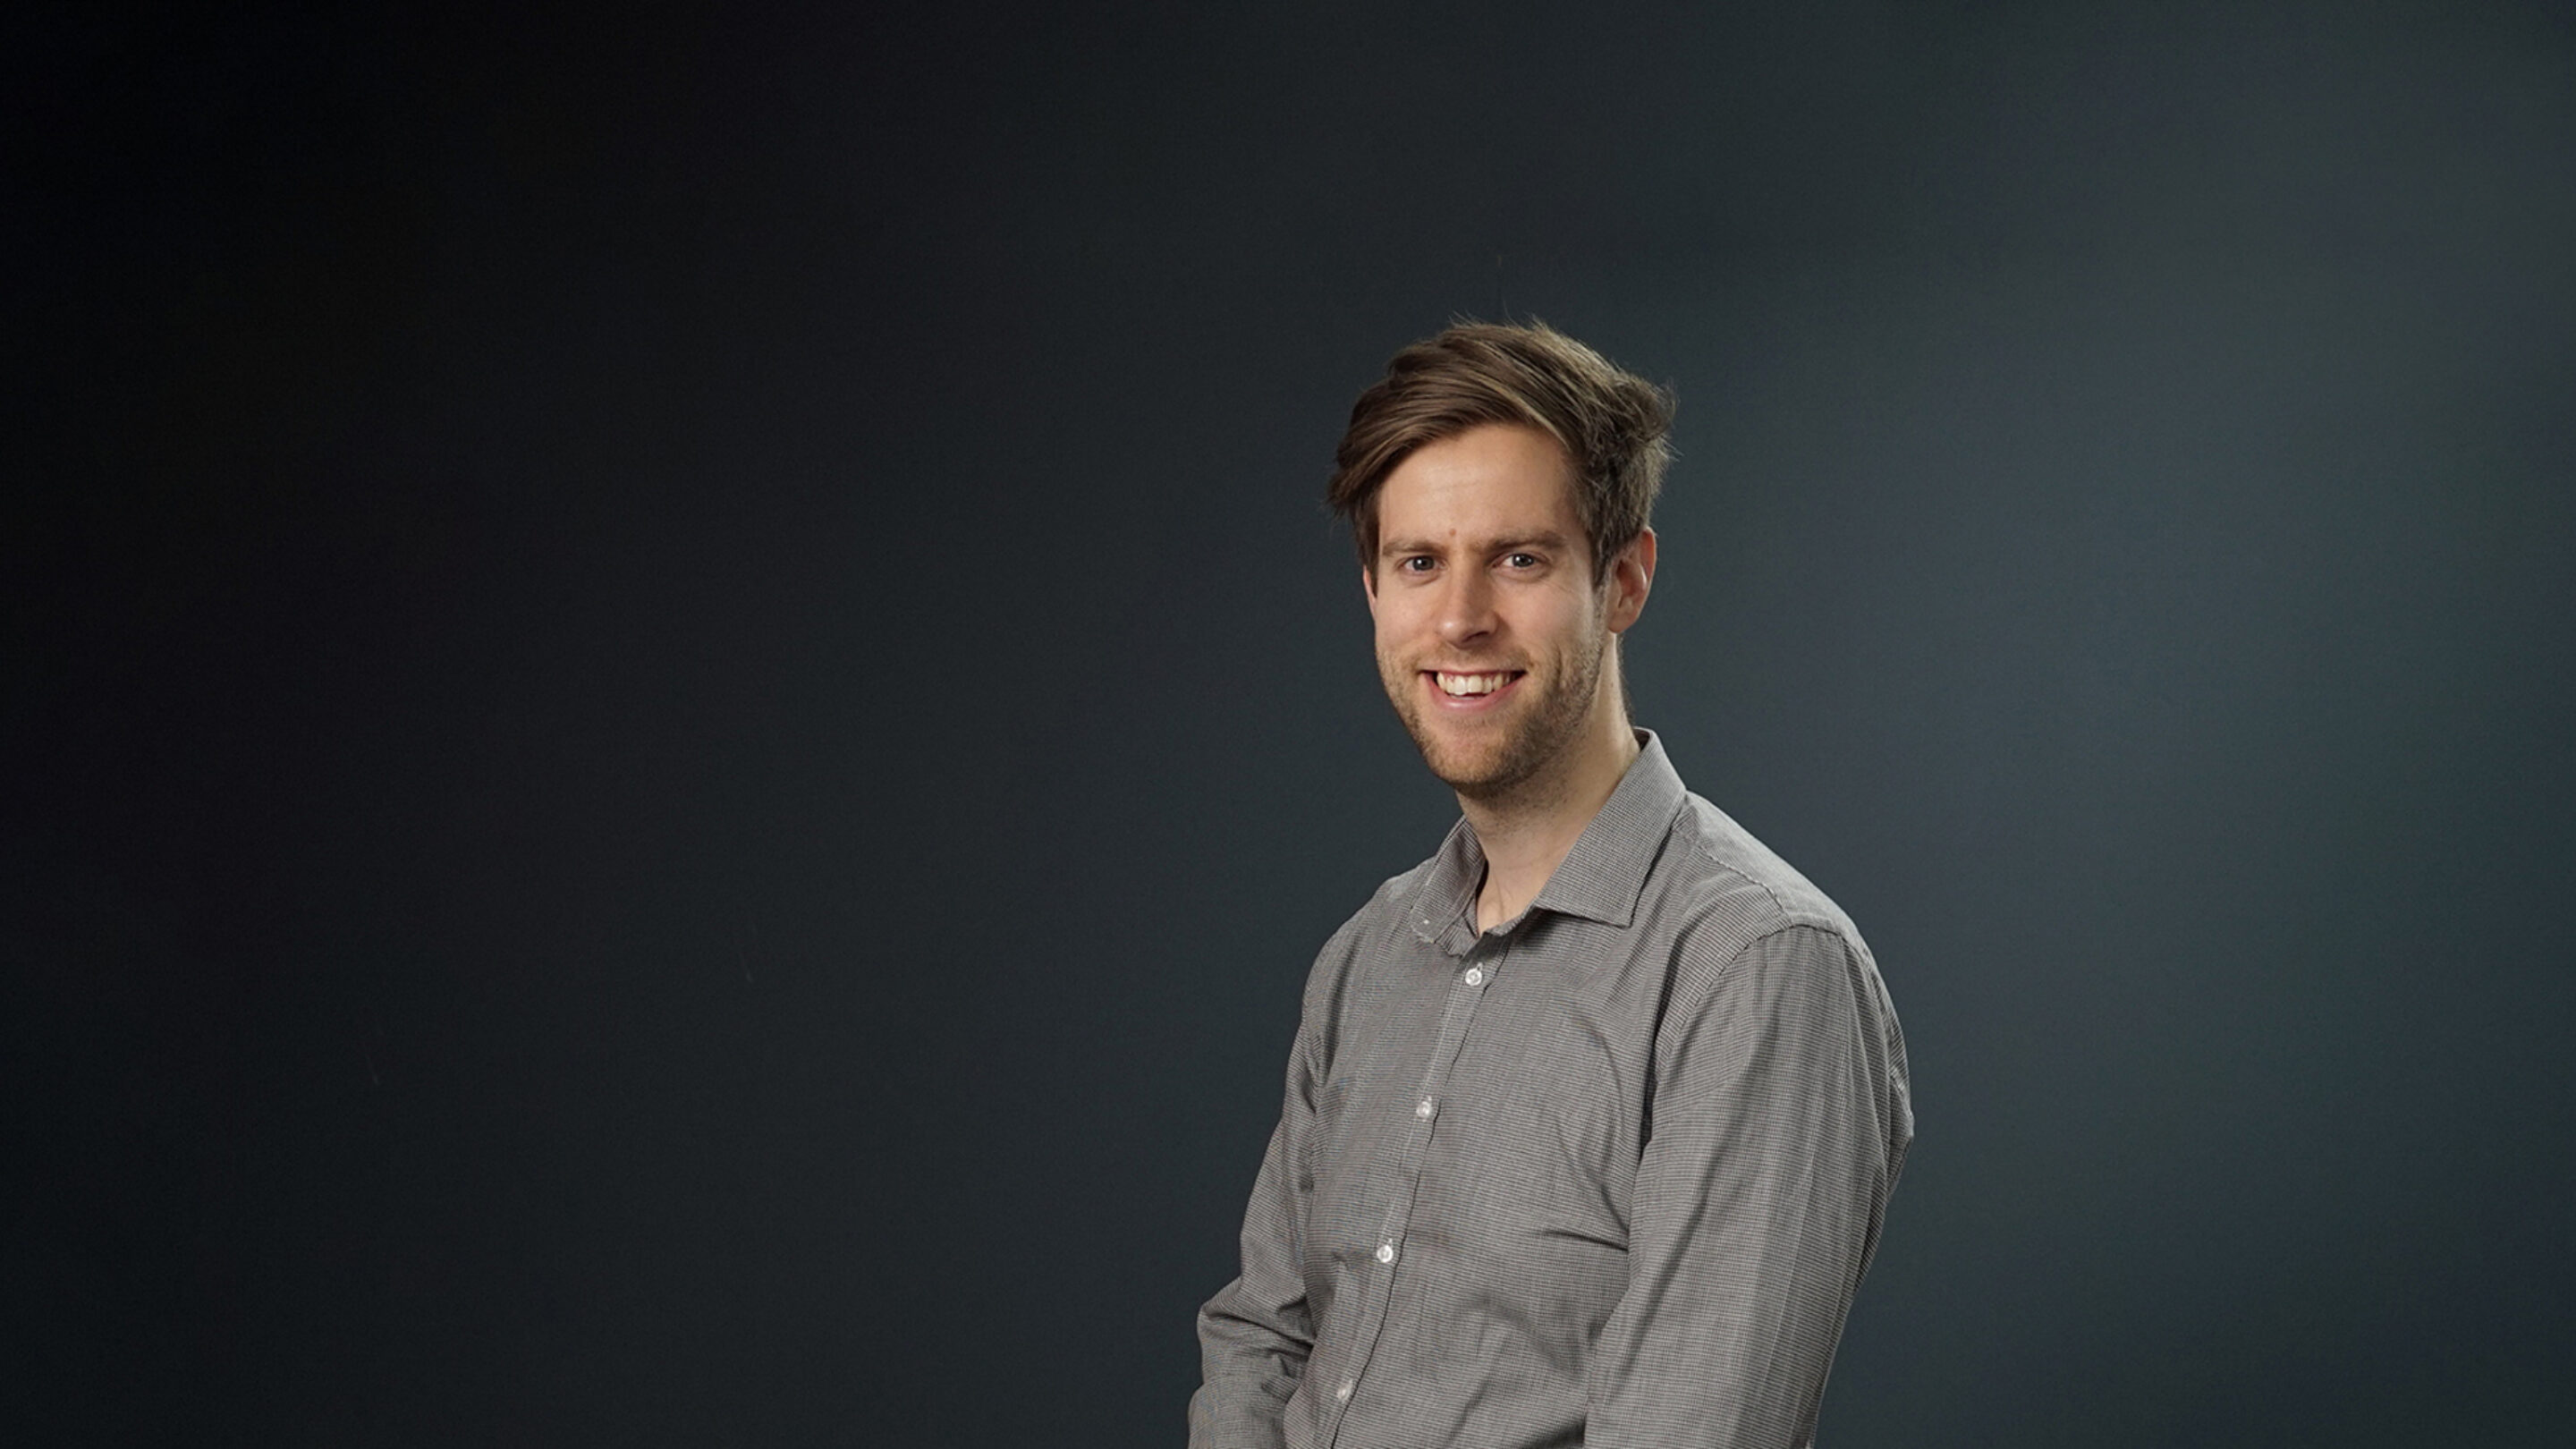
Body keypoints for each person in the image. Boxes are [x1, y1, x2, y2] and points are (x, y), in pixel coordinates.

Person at [1189, 322, 1913, 1449]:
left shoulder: (1757, 969)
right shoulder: (1369, 956)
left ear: (1624, 580)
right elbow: (1262, 1340)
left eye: (1519, 559)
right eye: (1419, 563)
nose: (1460, 617)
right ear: (1372, 590)